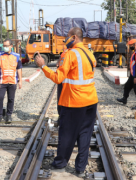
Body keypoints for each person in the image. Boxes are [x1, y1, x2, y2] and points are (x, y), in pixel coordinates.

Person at [35, 27, 98, 178]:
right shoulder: (89, 53)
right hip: (91, 100)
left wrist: (43, 66)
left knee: (67, 134)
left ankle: (61, 163)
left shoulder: (71, 54)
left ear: (75, 37)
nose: (66, 39)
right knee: (85, 134)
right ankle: (80, 167)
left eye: (68, 36)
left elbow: (58, 78)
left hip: (74, 102)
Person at [0, 39, 22, 124]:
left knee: (11, 99)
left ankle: (9, 115)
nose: (5, 47)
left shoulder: (16, 56)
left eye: (6, 46)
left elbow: (19, 69)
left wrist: (20, 81)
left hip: (12, 81)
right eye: (4, 46)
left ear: (11, 46)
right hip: (2, 81)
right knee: (0, 98)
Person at [117, 39, 136, 110]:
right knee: (127, 86)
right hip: (133, 74)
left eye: (130, 45)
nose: (129, 47)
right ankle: (124, 99)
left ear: (134, 45)